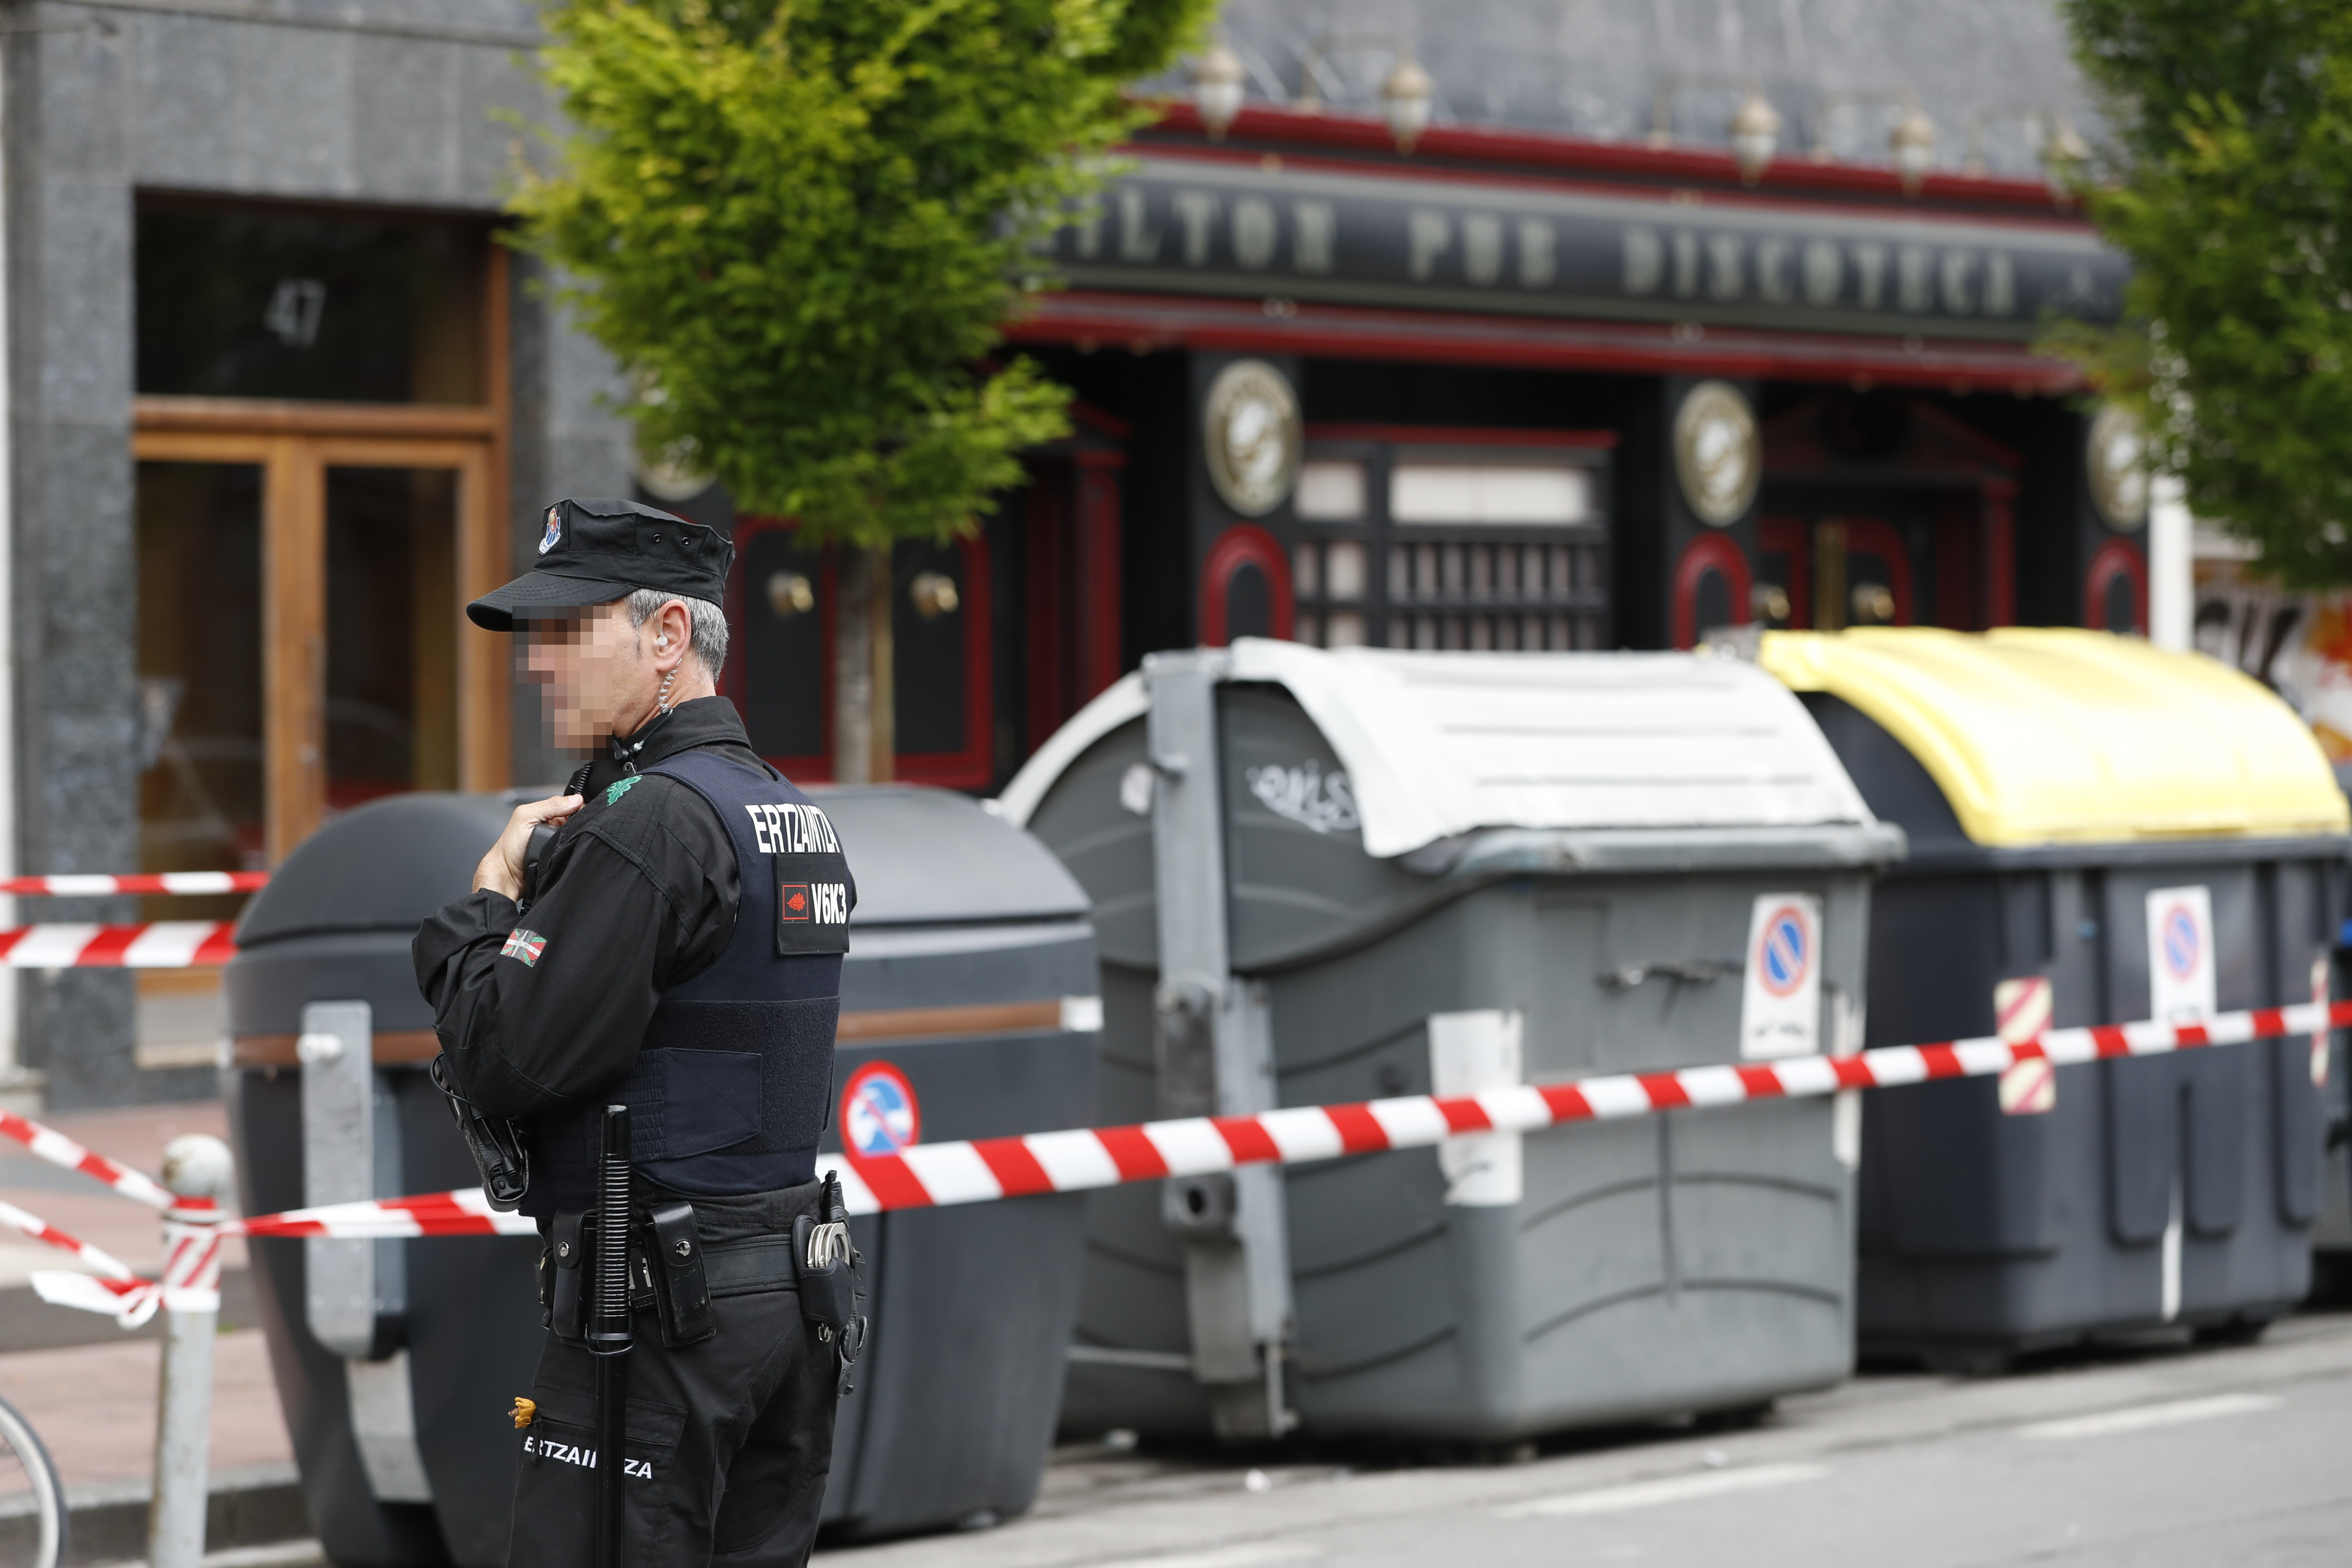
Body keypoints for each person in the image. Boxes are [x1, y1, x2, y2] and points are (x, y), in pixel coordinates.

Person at [412, 497, 855, 1567]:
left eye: (571, 631)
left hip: (659, 1315)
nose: (539, 666)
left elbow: (507, 1056)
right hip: (789, 1300)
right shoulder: (782, 807)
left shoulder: (651, 824)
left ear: (668, 638)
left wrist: (483, 909)